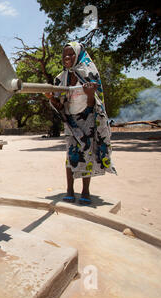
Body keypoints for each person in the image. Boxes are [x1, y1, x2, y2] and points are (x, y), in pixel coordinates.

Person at [44, 41, 117, 205]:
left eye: (71, 54)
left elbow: (94, 104)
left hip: (88, 117)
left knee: (87, 153)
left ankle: (85, 191)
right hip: (70, 120)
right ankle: (69, 190)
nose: (67, 58)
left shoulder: (88, 75)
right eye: (64, 56)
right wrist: (51, 98)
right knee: (71, 156)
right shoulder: (60, 78)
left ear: (78, 55)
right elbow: (60, 106)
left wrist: (90, 94)